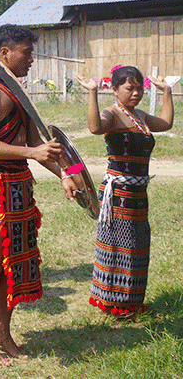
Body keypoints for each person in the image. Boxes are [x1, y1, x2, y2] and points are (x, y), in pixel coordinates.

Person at [0, 24, 76, 367]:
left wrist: (65, 175)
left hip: (18, 184)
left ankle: (2, 330)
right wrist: (32, 153)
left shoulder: (18, 93)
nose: (31, 59)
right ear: (4, 53)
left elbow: (35, 144)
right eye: (26, 53)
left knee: (11, 262)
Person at [76, 66, 173, 318]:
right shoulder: (112, 114)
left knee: (137, 244)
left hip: (138, 195)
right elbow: (95, 128)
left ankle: (131, 302)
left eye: (139, 88)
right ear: (115, 90)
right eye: (130, 88)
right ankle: (112, 303)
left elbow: (166, 123)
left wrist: (167, 92)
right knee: (118, 245)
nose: (136, 93)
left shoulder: (140, 116)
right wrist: (92, 93)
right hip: (118, 195)